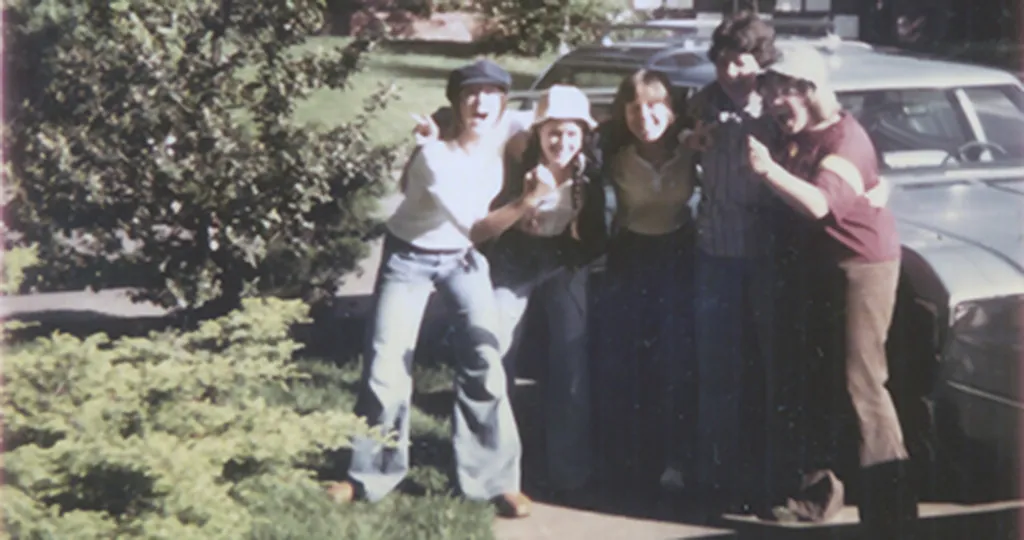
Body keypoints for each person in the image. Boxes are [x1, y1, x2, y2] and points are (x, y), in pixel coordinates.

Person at [326, 59, 551, 519]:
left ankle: (495, 481)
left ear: (503, 101)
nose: (481, 101)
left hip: (461, 262)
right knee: (387, 365)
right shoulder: (434, 157)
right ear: (456, 102)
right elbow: (477, 228)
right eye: (470, 93)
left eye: (491, 93)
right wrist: (525, 201)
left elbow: (562, 118)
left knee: (485, 361)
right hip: (411, 257)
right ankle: (368, 477)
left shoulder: (507, 127)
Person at [747, 46, 918, 538]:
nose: (776, 101)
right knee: (816, 381)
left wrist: (768, 172)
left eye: (786, 90)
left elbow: (821, 204)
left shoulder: (846, 138)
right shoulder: (795, 133)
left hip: (860, 268)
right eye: (771, 90)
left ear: (813, 90)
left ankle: (892, 515)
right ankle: (816, 498)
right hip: (815, 268)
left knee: (861, 386)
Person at [679, 11, 784, 513]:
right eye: (722, 61)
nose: (729, 71)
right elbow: (665, 142)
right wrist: (686, 142)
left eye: (740, 62)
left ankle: (768, 479)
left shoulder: (779, 104)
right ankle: (714, 476)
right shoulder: (702, 101)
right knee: (716, 371)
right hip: (714, 254)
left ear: (759, 61)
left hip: (766, 257)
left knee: (767, 372)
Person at [486, 84, 608, 501]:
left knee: (570, 359)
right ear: (538, 132)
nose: (563, 142)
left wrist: (580, 249)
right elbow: (489, 220)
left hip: (562, 260)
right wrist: (524, 202)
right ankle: (495, 471)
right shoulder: (515, 161)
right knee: (497, 352)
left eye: (572, 133)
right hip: (515, 260)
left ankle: (568, 470)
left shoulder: (588, 168)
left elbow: (594, 226)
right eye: (554, 132)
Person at [593, 68, 697, 494]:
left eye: (655, 106)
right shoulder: (612, 152)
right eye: (634, 107)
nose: (645, 116)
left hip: (679, 254)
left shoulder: (693, 149)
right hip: (630, 256)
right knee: (626, 362)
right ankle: (626, 458)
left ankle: (676, 459)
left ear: (672, 111)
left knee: (675, 360)